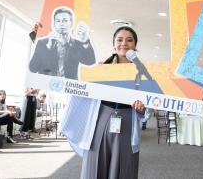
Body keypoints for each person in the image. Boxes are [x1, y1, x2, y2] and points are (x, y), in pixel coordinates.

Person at [60, 26, 151, 179]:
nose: (124, 43)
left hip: (127, 120)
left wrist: (142, 109)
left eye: (129, 40)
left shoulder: (142, 71)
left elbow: (149, 102)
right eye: (119, 39)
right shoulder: (100, 68)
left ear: (135, 45)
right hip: (100, 118)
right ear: (114, 44)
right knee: (94, 165)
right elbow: (70, 71)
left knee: (124, 168)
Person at [29, 6, 96, 79]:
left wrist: (85, 41)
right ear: (54, 24)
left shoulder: (77, 44)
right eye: (58, 21)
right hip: (46, 87)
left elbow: (90, 62)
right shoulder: (43, 43)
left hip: (69, 87)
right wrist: (47, 48)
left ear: (71, 23)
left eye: (65, 20)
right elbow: (33, 68)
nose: (61, 24)